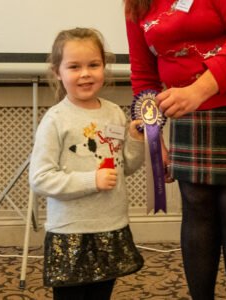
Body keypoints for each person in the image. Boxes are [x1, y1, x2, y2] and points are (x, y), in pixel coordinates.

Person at [124, 1, 226, 299]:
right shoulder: (137, 4)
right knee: (197, 206)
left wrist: (198, 91)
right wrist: (153, 139)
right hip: (188, 103)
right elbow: (143, 72)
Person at [29, 27, 145, 300]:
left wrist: (135, 141)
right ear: (58, 71)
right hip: (71, 232)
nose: (85, 74)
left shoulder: (115, 113)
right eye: (74, 66)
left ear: (104, 67)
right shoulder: (55, 120)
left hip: (110, 226)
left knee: (100, 294)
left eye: (94, 65)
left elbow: (124, 167)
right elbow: (41, 178)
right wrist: (90, 181)